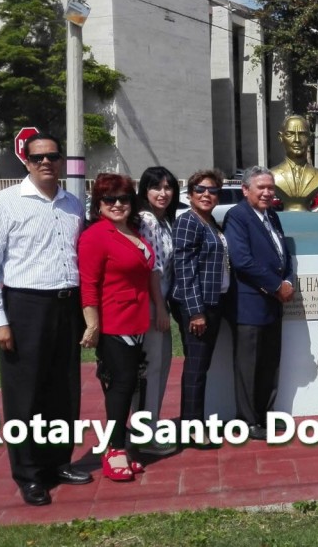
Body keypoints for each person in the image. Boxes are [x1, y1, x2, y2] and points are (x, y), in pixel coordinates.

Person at [0, 132, 92, 506]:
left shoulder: (73, 203)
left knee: (64, 390)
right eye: (38, 157)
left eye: (53, 156)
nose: (46, 162)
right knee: (25, 395)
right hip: (25, 306)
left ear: (60, 162)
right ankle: (29, 474)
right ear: (25, 161)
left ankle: (58, 462)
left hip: (66, 305)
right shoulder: (5, 203)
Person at [79, 174, 154, 481]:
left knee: (128, 385)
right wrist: (93, 325)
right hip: (114, 323)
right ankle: (114, 449)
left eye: (124, 198)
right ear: (98, 205)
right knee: (120, 387)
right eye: (110, 199)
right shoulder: (96, 236)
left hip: (137, 320)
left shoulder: (133, 231)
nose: (118, 204)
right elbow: (89, 284)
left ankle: (122, 445)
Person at [223, 167, 294, 440]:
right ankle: (248, 421)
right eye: (261, 187)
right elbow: (242, 260)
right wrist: (277, 286)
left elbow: (282, 254)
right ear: (245, 190)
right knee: (248, 366)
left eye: (270, 188)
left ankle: (266, 415)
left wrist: (287, 280)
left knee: (269, 363)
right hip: (249, 305)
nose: (267, 192)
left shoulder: (271, 215)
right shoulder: (238, 217)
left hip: (273, 306)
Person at [172, 170, 230, 436]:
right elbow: (184, 270)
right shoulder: (188, 222)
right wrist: (195, 312)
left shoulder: (211, 223)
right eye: (200, 190)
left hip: (214, 302)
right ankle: (192, 427)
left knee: (202, 365)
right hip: (198, 306)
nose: (207, 195)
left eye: (213, 191)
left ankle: (194, 419)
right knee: (196, 367)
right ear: (190, 194)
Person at [132, 166, 180, 456]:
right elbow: (153, 268)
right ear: (145, 191)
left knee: (157, 368)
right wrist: (161, 309)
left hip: (158, 303)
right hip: (152, 306)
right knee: (153, 369)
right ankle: (145, 435)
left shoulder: (164, 221)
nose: (163, 193)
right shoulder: (148, 220)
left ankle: (146, 427)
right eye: (156, 188)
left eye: (168, 187)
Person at [270, 115, 318, 211]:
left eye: (302, 134)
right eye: (290, 134)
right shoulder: (271, 176)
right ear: (280, 137)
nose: (296, 140)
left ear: (310, 139)